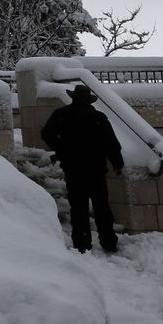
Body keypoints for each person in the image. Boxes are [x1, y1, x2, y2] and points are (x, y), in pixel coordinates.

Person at [41, 83, 124, 253]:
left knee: (78, 207)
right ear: (89, 101)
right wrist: (117, 164)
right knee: (102, 207)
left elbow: (46, 133)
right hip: (97, 169)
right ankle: (108, 241)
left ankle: (81, 243)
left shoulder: (61, 115)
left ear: (73, 98)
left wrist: (61, 148)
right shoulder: (99, 118)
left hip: (73, 169)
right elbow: (112, 143)